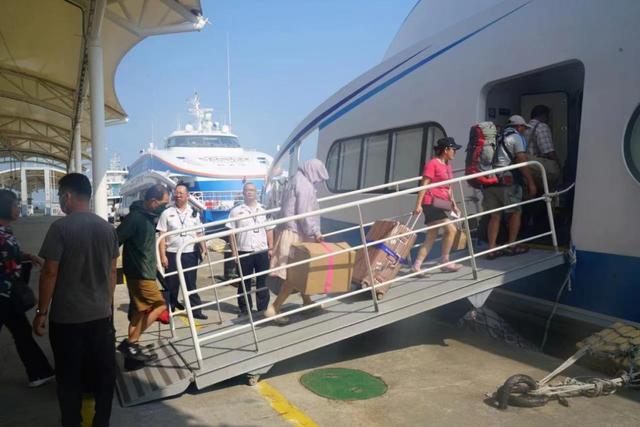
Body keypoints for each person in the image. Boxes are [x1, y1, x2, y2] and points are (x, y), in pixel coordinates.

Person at [33, 173, 119, 427]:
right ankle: (101, 422)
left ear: (68, 196)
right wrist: (107, 305)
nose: (61, 200)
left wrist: (41, 312)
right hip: (101, 317)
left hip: (67, 320)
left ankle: (72, 422)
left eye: (60, 195)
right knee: (103, 377)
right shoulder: (108, 229)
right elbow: (112, 273)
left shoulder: (60, 228)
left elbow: (49, 273)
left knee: (69, 378)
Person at [0, 189, 54, 388]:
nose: (18, 208)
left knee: (22, 333)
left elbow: (9, 255)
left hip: (8, 295)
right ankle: (39, 372)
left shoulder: (6, 231)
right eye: (15, 205)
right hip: (3, 295)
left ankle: (39, 373)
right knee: (22, 333)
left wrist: (27, 256)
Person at [265, 159, 329, 321]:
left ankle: (307, 301)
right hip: (296, 234)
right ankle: (274, 308)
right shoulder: (305, 185)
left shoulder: (294, 180)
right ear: (313, 172)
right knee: (294, 275)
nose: (318, 181)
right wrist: (315, 232)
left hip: (287, 231)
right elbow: (304, 213)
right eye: (318, 177)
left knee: (300, 271)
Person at [116, 184, 169, 363]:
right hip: (140, 274)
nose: (165, 208)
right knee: (160, 306)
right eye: (163, 204)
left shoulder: (146, 217)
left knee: (139, 313)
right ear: (153, 202)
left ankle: (132, 358)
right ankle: (131, 343)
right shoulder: (136, 218)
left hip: (144, 272)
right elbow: (115, 239)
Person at [483, 115, 537, 259]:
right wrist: (531, 182)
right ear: (518, 126)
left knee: (495, 216)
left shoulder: (496, 136)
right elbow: (521, 159)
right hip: (507, 181)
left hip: (490, 180)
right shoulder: (516, 137)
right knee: (515, 212)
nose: (524, 130)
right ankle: (511, 244)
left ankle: (491, 248)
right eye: (524, 127)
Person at [412, 137, 464, 274]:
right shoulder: (432, 164)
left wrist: (454, 205)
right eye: (453, 149)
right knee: (451, 230)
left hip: (441, 203)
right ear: (446, 150)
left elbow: (449, 187)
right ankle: (445, 262)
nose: (455, 152)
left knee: (431, 236)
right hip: (430, 202)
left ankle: (416, 266)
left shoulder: (447, 166)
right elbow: (424, 184)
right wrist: (418, 205)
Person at [157, 183, 208, 320]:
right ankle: (170, 310)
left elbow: (199, 232)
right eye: (176, 192)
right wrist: (163, 256)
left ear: (187, 196)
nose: (178, 195)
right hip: (172, 253)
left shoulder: (194, 213)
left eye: (181, 193)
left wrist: (203, 248)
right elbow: (162, 236)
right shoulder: (167, 213)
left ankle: (196, 310)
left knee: (191, 283)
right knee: (172, 284)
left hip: (190, 253)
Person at [226, 182, 274, 316]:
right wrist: (234, 252)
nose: (249, 192)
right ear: (243, 193)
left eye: (252, 190)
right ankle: (245, 309)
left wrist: (271, 248)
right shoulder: (236, 211)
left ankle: (262, 308)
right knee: (244, 281)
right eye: (247, 190)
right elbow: (231, 233)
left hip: (261, 250)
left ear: (256, 193)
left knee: (262, 281)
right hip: (244, 250)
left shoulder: (264, 209)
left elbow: (269, 230)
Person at [525, 105, 561, 191]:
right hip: (538, 168)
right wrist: (559, 166)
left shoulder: (525, 127)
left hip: (527, 167)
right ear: (544, 115)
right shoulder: (542, 126)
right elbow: (548, 151)